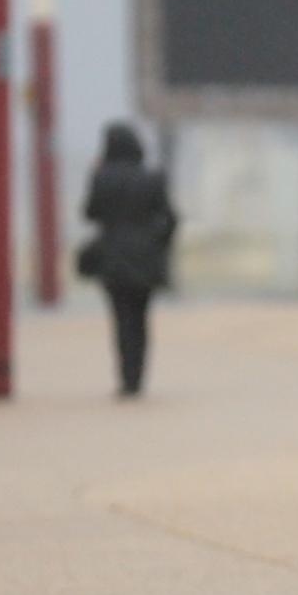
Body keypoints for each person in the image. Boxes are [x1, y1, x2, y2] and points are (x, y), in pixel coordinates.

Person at [82, 124, 176, 397]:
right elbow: (170, 218)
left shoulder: (102, 177)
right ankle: (138, 377)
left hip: (112, 257)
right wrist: (158, 243)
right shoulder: (153, 177)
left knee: (121, 319)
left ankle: (126, 380)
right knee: (141, 318)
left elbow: (90, 213)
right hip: (145, 258)